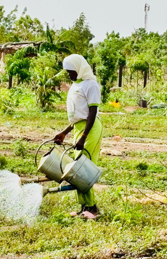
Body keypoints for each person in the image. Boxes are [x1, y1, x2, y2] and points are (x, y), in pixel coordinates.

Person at [53, 54, 103, 219]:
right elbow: (78, 116)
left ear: (79, 68)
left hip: (90, 129)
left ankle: (92, 208)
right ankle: (84, 207)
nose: (69, 74)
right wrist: (64, 132)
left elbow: (92, 113)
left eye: (70, 71)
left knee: (83, 169)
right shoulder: (76, 85)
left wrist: (83, 136)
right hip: (78, 128)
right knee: (76, 169)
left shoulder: (91, 85)